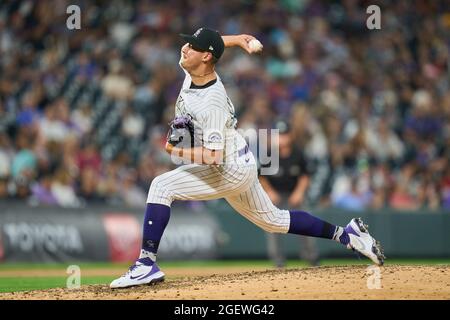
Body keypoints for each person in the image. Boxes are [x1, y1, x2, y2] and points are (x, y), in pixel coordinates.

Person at [110, 28, 385, 288]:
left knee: (161, 186)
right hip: (241, 160)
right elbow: (214, 42)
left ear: (206, 56)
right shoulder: (193, 70)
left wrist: (174, 150)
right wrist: (238, 39)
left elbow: (213, 157)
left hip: (229, 168)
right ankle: (348, 234)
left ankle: (146, 263)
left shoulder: (211, 102)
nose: (184, 48)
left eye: (192, 46)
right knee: (275, 221)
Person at [259, 118, 319, 267]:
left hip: (294, 195)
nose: (282, 138)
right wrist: (270, 192)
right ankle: (278, 262)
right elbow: (261, 177)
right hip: (275, 197)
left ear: (290, 135)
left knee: (305, 225)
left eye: (284, 134)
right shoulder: (270, 154)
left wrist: (298, 193)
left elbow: (305, 175)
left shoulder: (298, 153)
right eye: (279, 134)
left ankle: (312, 258)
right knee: (272, 227)